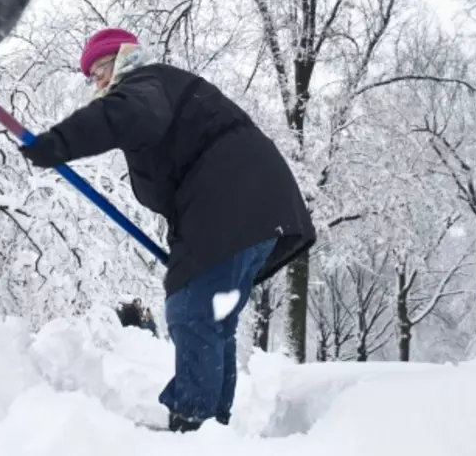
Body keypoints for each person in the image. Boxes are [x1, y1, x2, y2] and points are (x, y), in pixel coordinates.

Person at [19, 28, 315, 432]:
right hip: (255, 210)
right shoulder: (163, 90)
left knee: (192, 311)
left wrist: (59, 142)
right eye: (91, 77)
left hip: (233, 203)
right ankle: (212, 430)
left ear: (122, 61)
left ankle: (194, 424)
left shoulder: (145, 84)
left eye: (101, 70)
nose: (97, 82)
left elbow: (128, 114)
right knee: (213, 317)